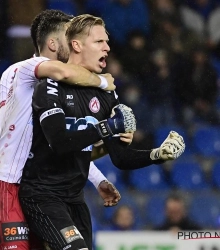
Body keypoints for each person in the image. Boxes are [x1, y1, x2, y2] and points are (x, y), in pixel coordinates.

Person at [19, 14, 185, 250]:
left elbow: (120, 157)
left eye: (107, 42)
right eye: (99, 42)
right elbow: (59, 142)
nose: (107, 47)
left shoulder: (107, 94)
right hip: (42, 196)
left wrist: (157, 155)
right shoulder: (50, 86)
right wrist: (107, 127)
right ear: (76, 45)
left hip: (75, 199)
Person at [0, 10, 123, 250]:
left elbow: (64, 145)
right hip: (7, 183)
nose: (75, 45)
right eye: (70, 39)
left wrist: (98, 179)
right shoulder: (26, 69)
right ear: (53, 43)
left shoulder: (52, 92)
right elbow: (64, 71)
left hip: (34, 186)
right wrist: (102, 81)